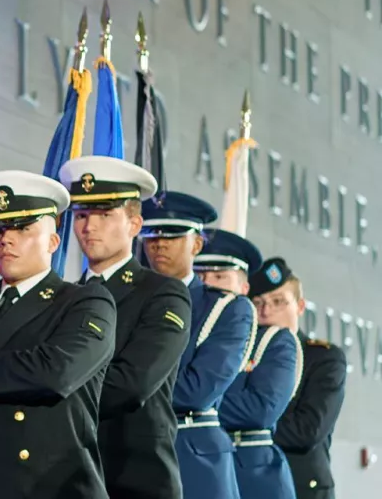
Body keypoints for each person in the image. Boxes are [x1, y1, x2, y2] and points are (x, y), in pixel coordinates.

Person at [0, 170, 117, 499]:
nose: (6, 239)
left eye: (22, 228)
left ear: (53, 241)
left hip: (54, 487)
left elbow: (55, 372)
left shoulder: (85, 301)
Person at [58, 156, 191, 499]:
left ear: (134, 224)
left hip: (135, 478)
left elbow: (133, 382)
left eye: (105, 214)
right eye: (82, 215)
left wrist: (47, 390)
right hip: (66, 475)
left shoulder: (163, 293)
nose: (89, 227)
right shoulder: (63, 297)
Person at [140, 193, 256, 499]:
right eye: (151, 235)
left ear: (196, 244)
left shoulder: (226, 308)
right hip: (127, 451)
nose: (160, 244)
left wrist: (125, 390)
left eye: (174, 235)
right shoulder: (126, 300)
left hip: (189, 451)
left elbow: (197, 390)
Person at [197, 234, 300, 499]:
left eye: (219, 277)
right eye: (201, 276)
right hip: (203, 462)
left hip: (253, 473)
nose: (208, 285)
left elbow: (261, 409)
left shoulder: (272, 341)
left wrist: (199, 401)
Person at [258, 259, 347, 499]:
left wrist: (246, 423)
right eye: (258, 303)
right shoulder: (243, 355)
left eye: (278, 302)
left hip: (301, 486)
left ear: (299, 306)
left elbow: (306, 430)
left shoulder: (324, 359)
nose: (266, 311)